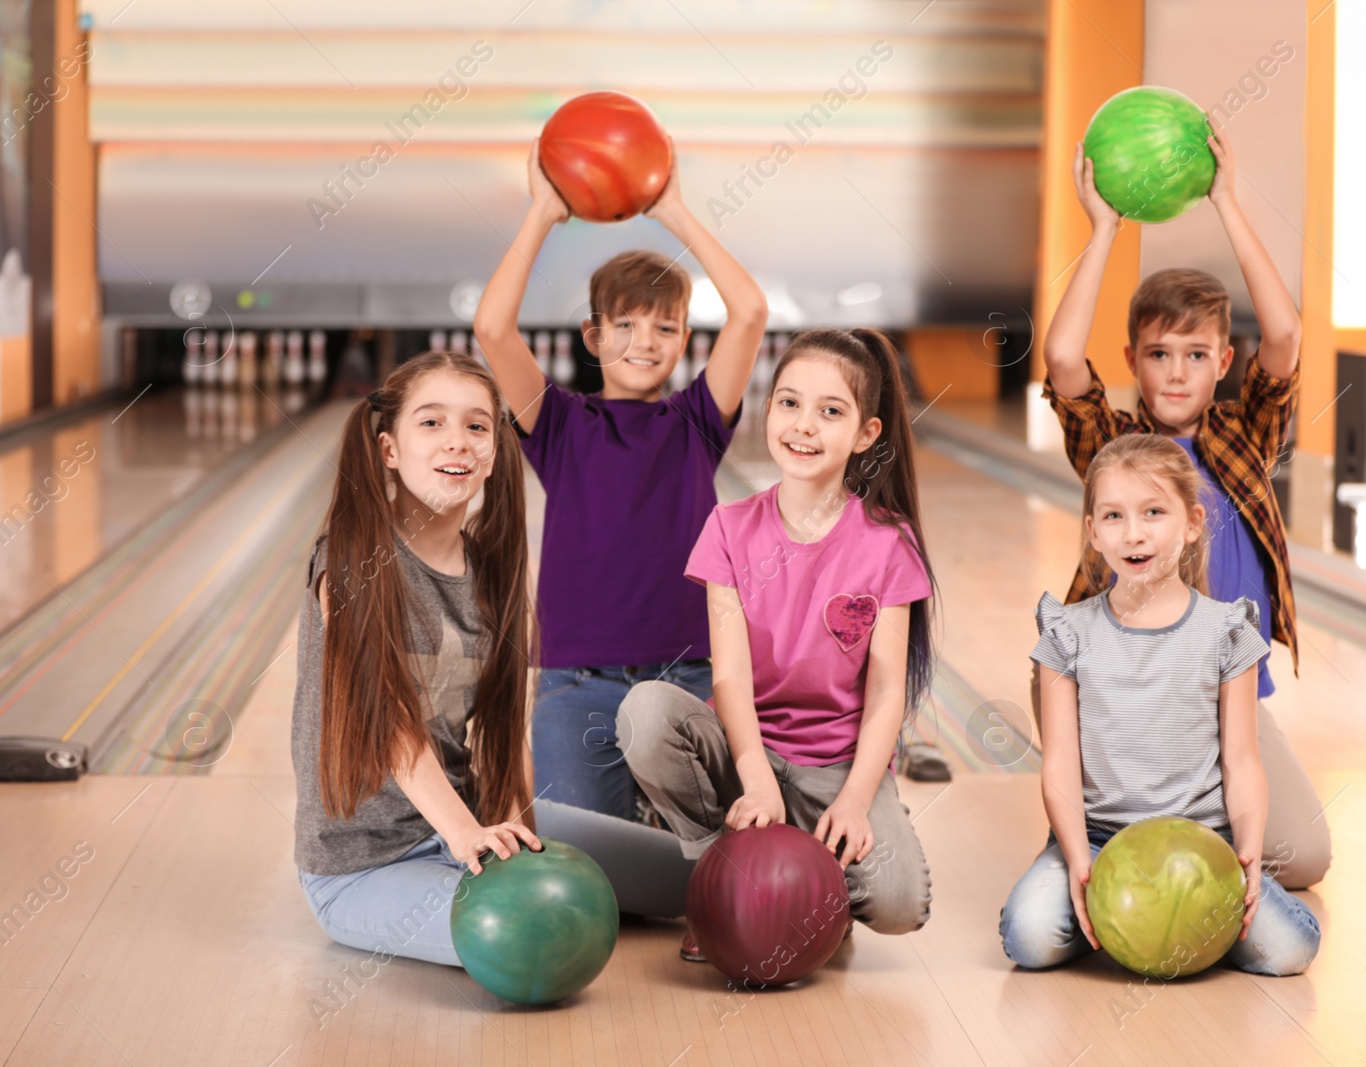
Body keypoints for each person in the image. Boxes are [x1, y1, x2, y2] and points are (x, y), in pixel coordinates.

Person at [292, 352, 697, 967]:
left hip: (475, 827)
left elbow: (506, 728)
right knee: (538, 933)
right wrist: (466, 837)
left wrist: (514, 829)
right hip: (363, 866)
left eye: (477, 426)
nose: (457, 440)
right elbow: (391, 724)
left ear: (493, 451)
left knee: (702, 879)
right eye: (431, 423)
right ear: (387, 450)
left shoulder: (488, 571)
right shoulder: (351, 562)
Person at [1036, 125, 1330, 888]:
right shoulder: (1115, 444)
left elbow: (1287, 333)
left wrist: (1227, 200)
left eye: (1196, 355)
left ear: (1222, 362)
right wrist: (1103, 229)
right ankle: (1112, 826)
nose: (1176, 372)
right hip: (1128, 698)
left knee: (1303, 857)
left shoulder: (1244, 434)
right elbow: (1065, 359)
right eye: (1158, 354)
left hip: (1229, 693)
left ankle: (1192, 818)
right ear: (1133, 359)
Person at [619, 329, 936, 960]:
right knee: (645, 713)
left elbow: (885, 695)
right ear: (768, 409)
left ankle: (807, 888)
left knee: (901, 906)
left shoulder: (888, 544)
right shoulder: (730, 529)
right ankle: (725, 886)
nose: (804, 426)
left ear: (866, 434)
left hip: (838, 768)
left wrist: (852, 802)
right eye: (789, 403)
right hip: (746, 759)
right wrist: (758, 779)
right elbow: (730, 679)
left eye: (831, 411)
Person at [474, 143, 768, 822]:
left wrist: (676, 213)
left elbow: (749, 312)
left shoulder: (696, 419)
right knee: (592, 865)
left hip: (689, 681)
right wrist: (544, 211)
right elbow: (492, 328)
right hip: (577, 685)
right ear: (592, 335)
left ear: (686, 339)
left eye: (665, 326)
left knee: (709, 864)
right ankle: (642, 822)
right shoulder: (558, 424)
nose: (646, 340)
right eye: (627, 325)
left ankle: (663, 820)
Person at [1000, 434, 1321, 976]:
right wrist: (1078, 857)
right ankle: (1105, 914)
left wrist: (1244, 858)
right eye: (1113, 516)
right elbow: (1060, 763)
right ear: (1093, 532)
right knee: (1029, 939)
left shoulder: (1226, 631)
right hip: (1101, 840)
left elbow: (1242, 762)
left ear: (1192, 523)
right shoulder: (1066, 632)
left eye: (1154, 512)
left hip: (1202, 845)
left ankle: (1167, 922)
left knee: (1290, 950)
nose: (1134, 533)